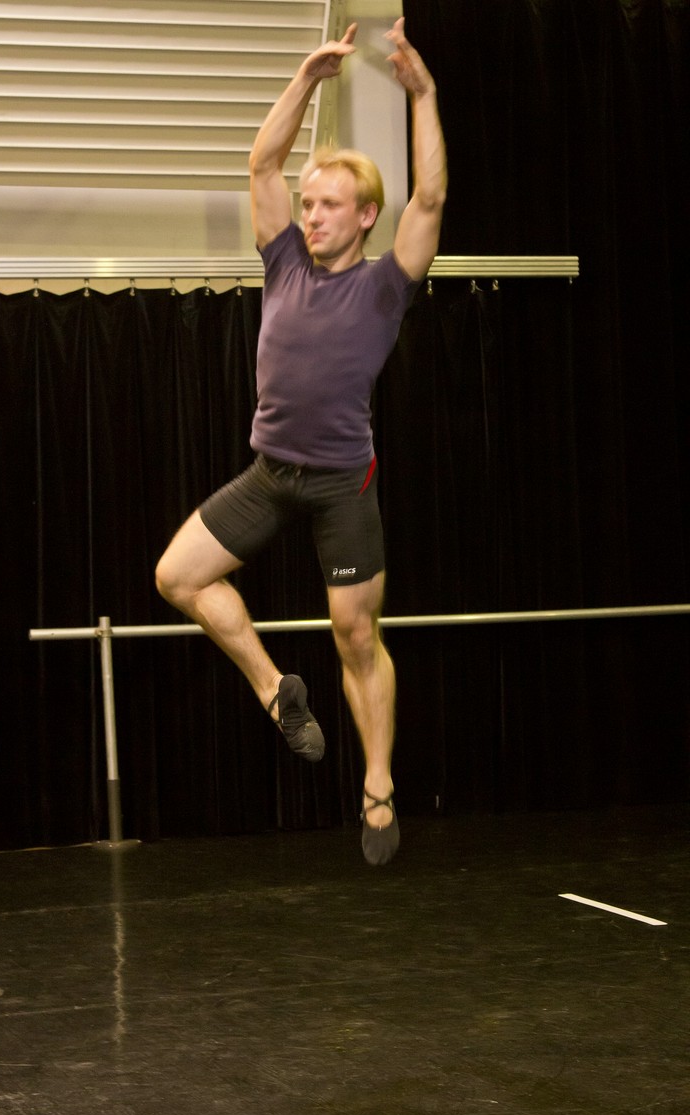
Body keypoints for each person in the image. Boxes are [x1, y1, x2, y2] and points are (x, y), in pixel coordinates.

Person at [156, 18, 447, 865]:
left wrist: (423, 96)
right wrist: (305, 80)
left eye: (328, 206)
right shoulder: (282, 262)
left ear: (366, 216)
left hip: (341, 485)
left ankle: (378, 784)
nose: (311, 216)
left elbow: (430, 200)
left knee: (355, 636)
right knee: (178, 576)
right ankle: (274, 687)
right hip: (270, 473)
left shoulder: (386, 287)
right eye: (308, 203)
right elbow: (261, 165)